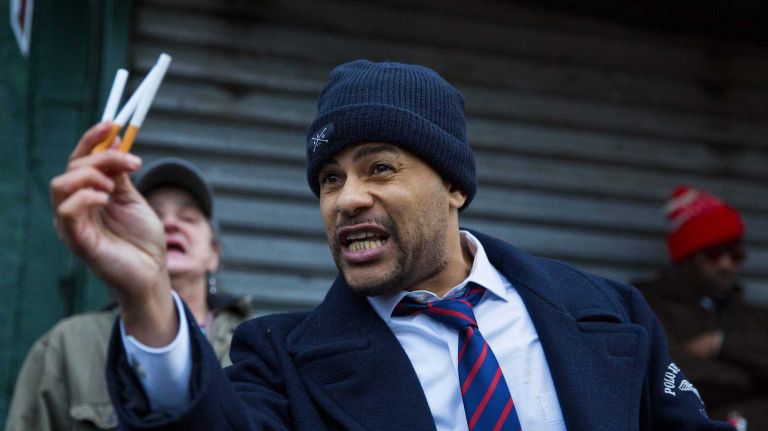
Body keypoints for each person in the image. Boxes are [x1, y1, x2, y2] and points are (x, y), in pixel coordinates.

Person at [49, 60, 734, 430]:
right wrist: (145, 298)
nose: (346, 198)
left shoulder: (610, 315)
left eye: (380, 168)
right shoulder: (280, 362)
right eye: (329, 178)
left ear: (455, 186)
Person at [6, 158, 253, 431]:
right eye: (154, 216)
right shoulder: (66, 345)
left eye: (188, 218)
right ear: (125, 239)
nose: (170, 224)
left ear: (213, 255)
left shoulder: (256, 347)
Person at [635, 186, 768, 430]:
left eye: (735, 254)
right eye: (713, 254)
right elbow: (668, 376)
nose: (726, 264)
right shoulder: (646, 304)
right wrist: (756, 378)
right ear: (686, 257)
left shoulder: (751, 315)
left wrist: (721, 344)